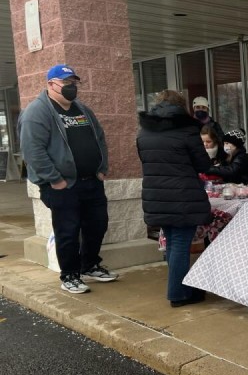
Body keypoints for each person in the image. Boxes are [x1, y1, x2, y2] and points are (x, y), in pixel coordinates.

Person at [19, 64, 118, 294]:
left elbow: (99, 138)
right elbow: (33, 151)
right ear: (51, 84)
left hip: (91, 181)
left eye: (74, 83)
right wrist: (55, 179)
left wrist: (102, 168)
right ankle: (70, 275)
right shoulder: (37, 112)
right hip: (62, 186)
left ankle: (90, 265)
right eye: (66, 83)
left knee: (97, 225)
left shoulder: (82, 110)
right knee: (68, 232)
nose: (71, 87)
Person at [136, 89, 212, 308]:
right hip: (183, 195)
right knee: (180, 244)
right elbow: (203, 165)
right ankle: (179, 294)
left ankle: (182, 288)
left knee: (171, 243)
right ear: (181, 107)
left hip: (156, 194)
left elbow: (145, 160)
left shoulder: (144, 131)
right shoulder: (187, 130)